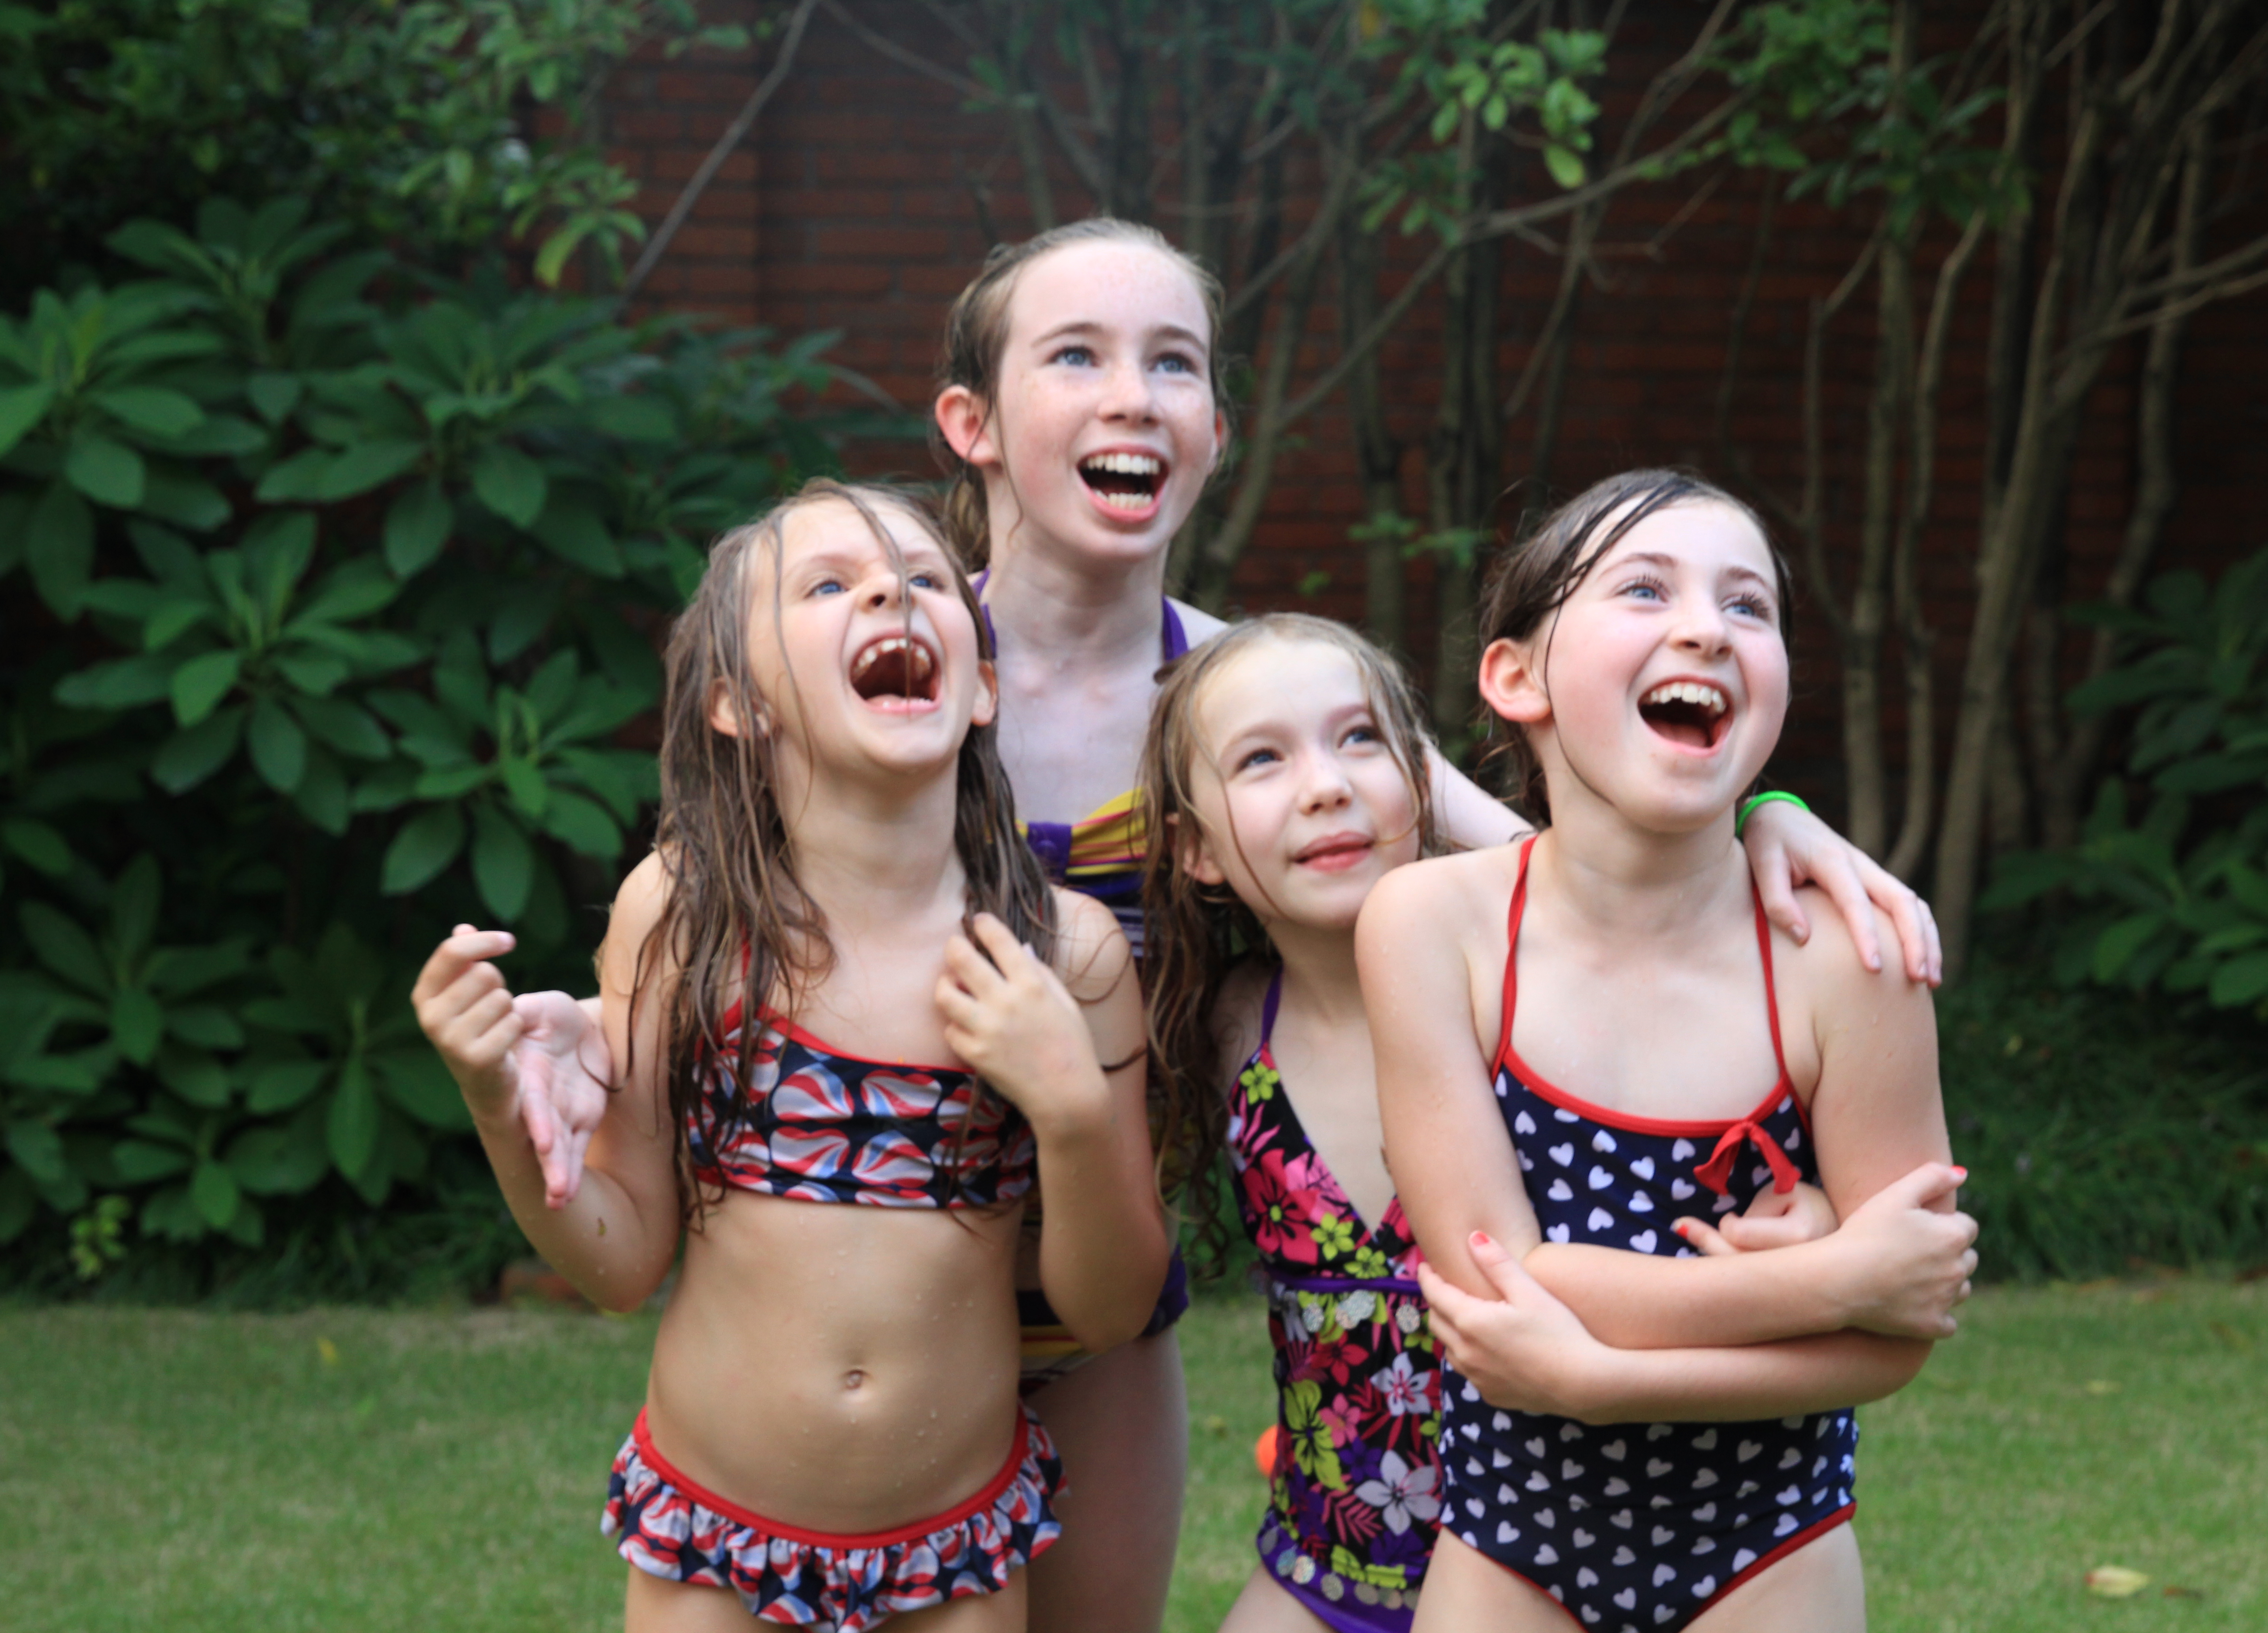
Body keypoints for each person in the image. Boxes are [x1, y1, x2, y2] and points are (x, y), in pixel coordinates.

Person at [926, 220, 1948, 1633]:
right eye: (1077, 357)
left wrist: (1767, 815)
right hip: (907, 1273)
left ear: (1218, 428)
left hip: (1125, 1323)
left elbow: (1584, 860)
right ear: (972, 423)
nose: (1132, 397)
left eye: (1173, 364)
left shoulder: (1247, 694)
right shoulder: (892, 682)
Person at [411, 482, 1170, 1631]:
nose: (888, 592)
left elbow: (1110, 1312)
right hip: (712, 1546)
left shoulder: (1062, 955)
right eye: (827, 585)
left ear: (982, 688)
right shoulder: (684, 919)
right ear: (737, 703)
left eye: (924, 579)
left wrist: (1068, 1111)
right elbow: (621, 1265)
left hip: (956, 1556)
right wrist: (496, 1104)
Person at [1136, 613, 1975, 1633]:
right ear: (1194, 847)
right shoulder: (1223, 1029)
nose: (1326, 785)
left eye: (1362, 739)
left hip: (1537, 1554)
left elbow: (1658, 874)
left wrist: (1769, 811)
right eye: (1263, 759)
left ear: (1425, 779)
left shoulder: (1536, 977)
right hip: (1330, 1566)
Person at [1361, 471, 1978, 1633]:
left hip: (1771, 1551)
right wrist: (1830, 1280)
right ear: (1517, 677)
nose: (1707, 627)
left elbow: (1900, 1335)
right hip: (1508, 1547)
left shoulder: (1854, 955)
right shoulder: (1432, 926)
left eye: (1749, 606)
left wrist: (1602, 1378)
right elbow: (1499, 1278)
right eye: (1644, 589)